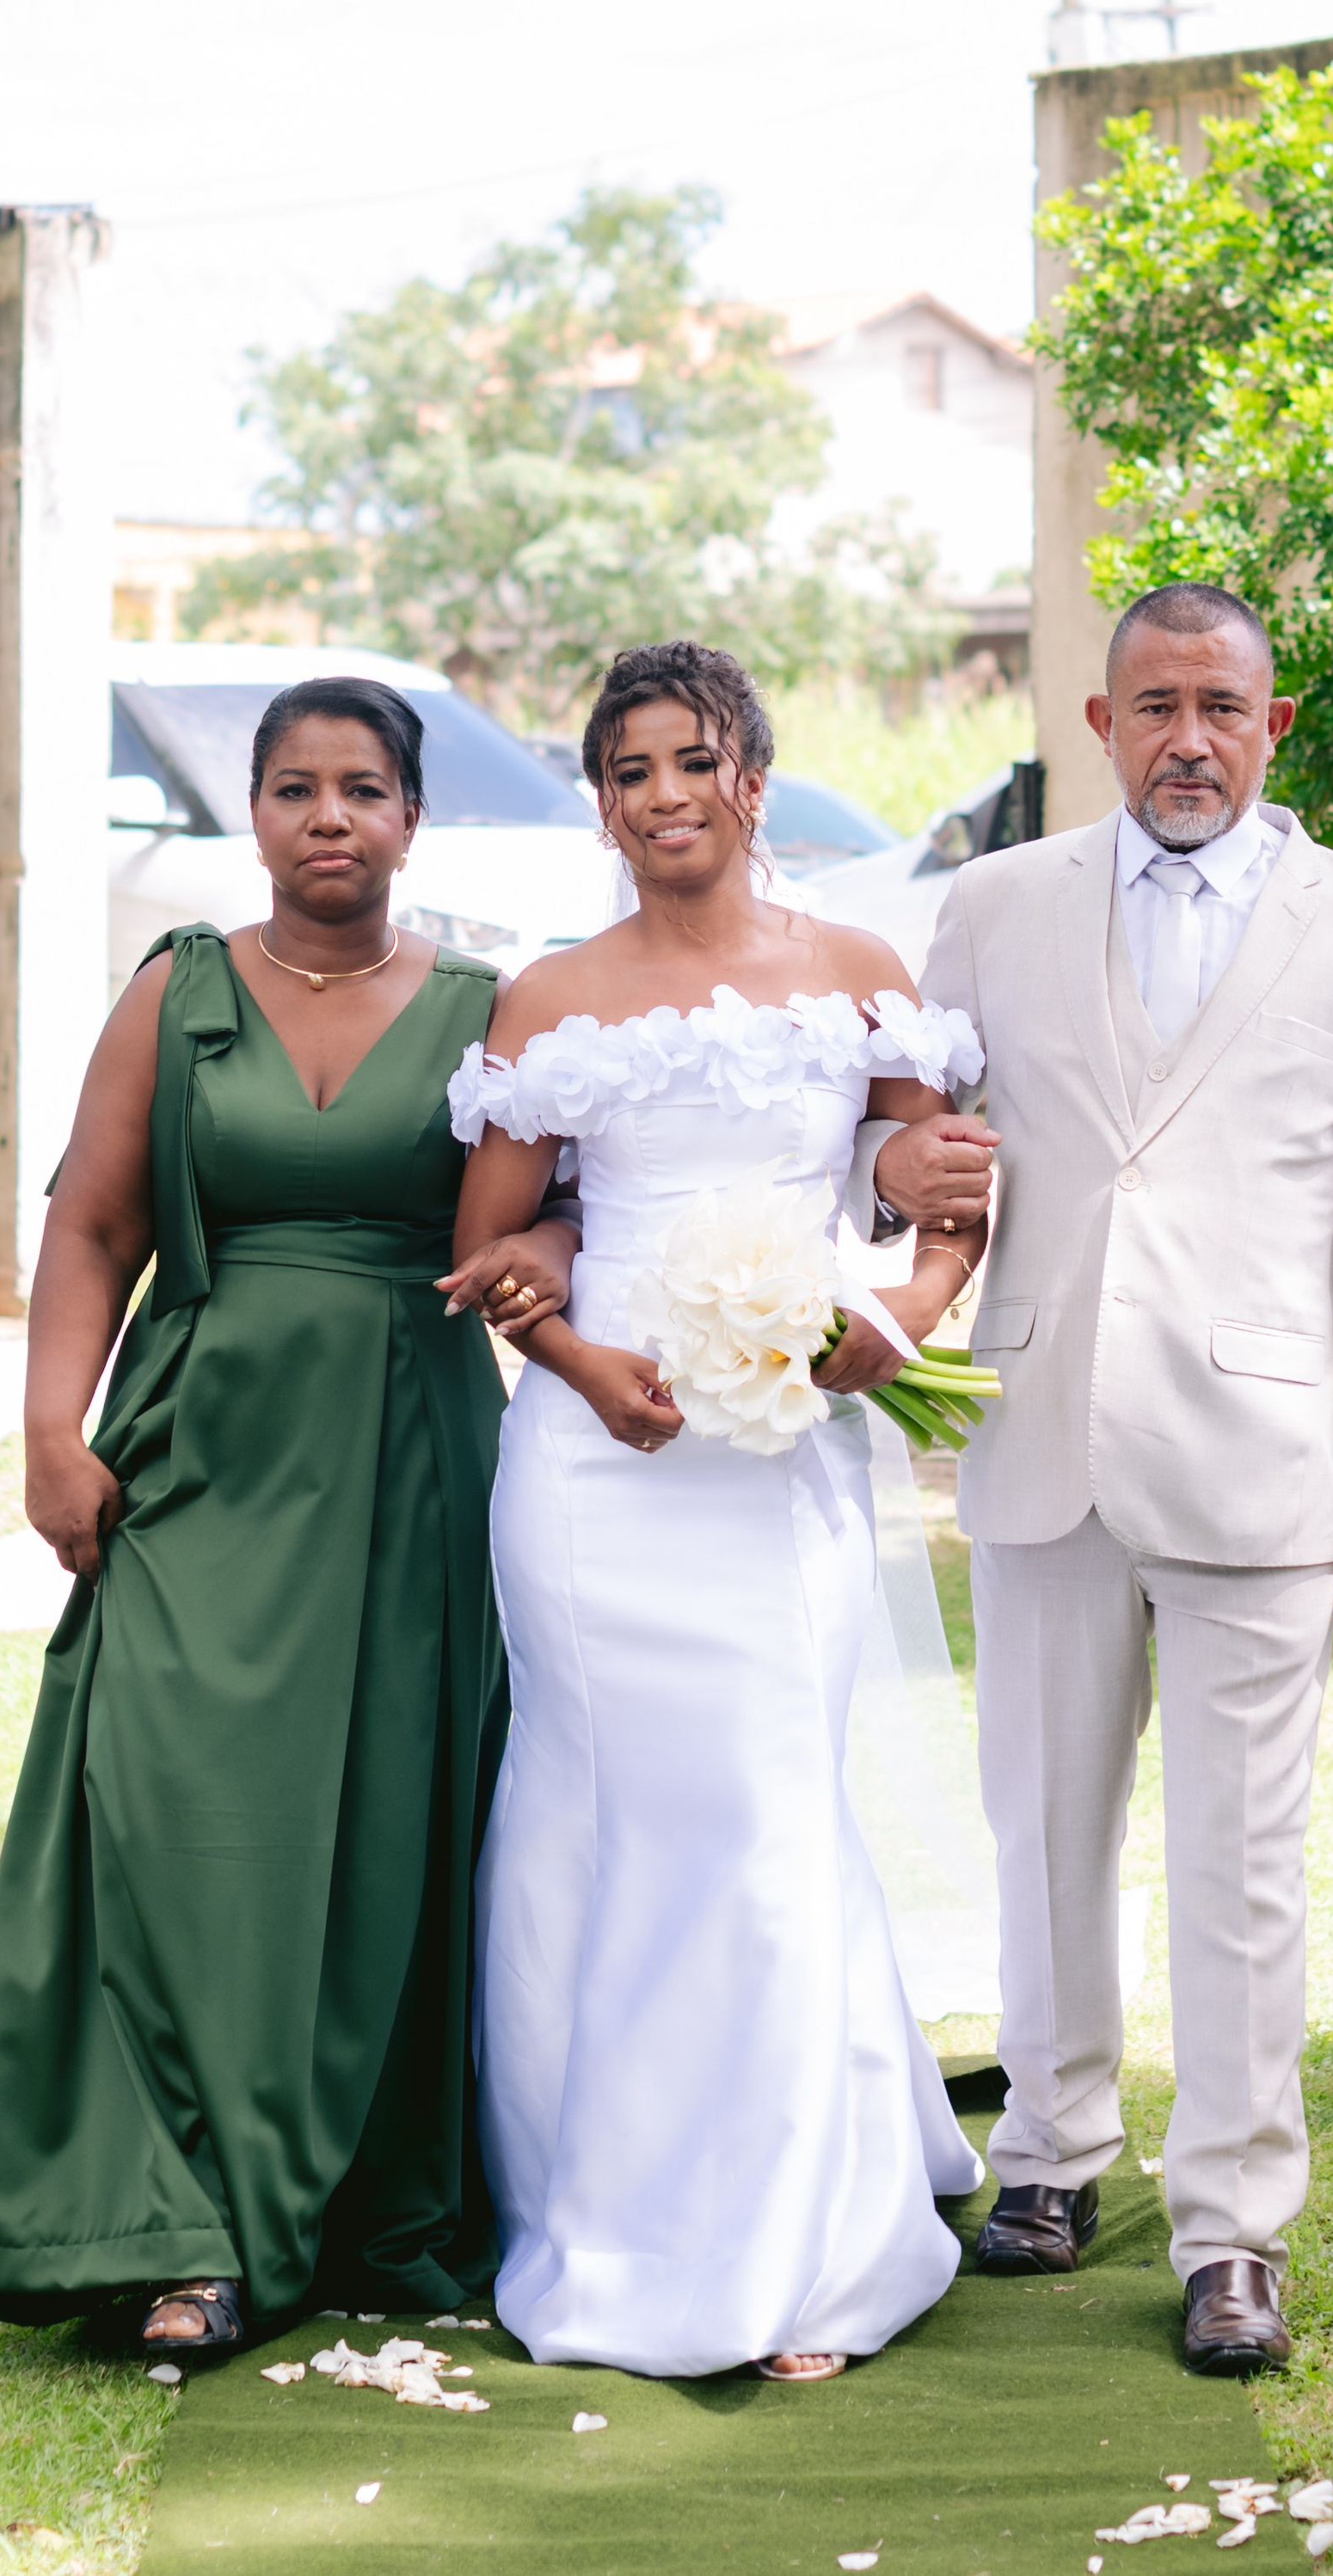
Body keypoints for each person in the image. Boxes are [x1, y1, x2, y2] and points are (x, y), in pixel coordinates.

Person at [0, 677, 575, 2353]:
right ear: (254, 813)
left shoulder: (494, 1010)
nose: (327, 816)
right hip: (198, 1452)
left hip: (413, 1468)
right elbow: (90, 1224)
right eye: (293, 788)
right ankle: (180, 2225)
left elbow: (564, 1215)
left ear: (412, 817)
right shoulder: (175, 989)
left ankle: (349, 2203)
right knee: (170, 1818)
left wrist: (546, 1253)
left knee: (384, 1836)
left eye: (361, 788)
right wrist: (49, 1433)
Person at [869, 581, 1333, 2376]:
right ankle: (1050, 2152)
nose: (1186, 740)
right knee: (1042, 1823)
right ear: (1099, 721)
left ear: (1272, 726)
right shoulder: (991, 908)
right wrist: (898, 1177)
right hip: (1042, 1426)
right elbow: (915, 1142)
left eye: (1219, 708)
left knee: (1243, 1859)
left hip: (1258, 1456)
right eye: (1153, 707)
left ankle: (1231, 2229)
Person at [447, 639, 990, 2383]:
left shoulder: (857, 976)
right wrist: (580, 1362)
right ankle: (596, 2211)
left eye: (694, 761)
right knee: (589, 1821)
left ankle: (797, 2242)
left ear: (753, 778)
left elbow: (947, 1199)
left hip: (780, 1460)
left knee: (763, 1816)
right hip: (594, 1473)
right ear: (600, 806)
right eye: (630, 771)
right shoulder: (544, 999)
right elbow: (490, 1250)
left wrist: (895, 1326)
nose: (665, 794)